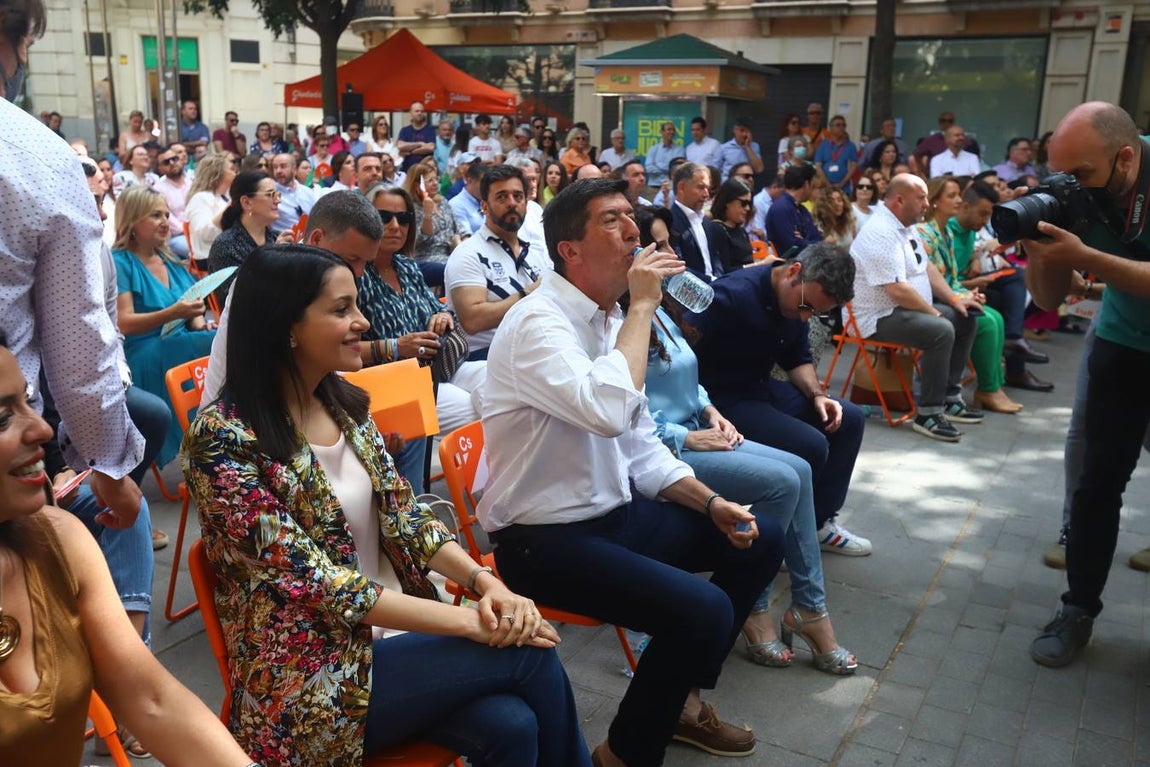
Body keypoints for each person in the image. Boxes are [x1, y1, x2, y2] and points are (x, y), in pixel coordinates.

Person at [183, 243, 591, 767]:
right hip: (311, 677)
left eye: (356, 304)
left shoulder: (343, 403)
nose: (362, 321)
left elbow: (405, 516)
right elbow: (318, 582)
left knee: (513, 726)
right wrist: (472, 623)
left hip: (394, 639)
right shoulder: (222, 438)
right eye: (340, 309)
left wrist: (485, 583)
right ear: (285, 326)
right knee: (530, 658)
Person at [478, 178, 784, 765]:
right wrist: (643, 306)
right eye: (612, 220)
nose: (633, 231)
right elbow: (607, 410)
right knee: (702, 609)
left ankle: (679, 703)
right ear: (570, 249)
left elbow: (639, 443)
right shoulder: (538, 324)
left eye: (631, 217)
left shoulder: (606, 318)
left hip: (613, 517)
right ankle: (627, 751)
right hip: (543, 540)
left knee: (757, 538)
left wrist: (709, 502)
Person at [0, 332, 251, 765]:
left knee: (130, 513)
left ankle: (119, 682)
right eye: (2, 416)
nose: (41, 427)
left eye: (27, 400)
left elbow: (153, 698)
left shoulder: (56, 538)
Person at [631, 209, 855, 673]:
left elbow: (691, 378)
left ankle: (810, 606)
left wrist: (710, 412)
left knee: (803, 465)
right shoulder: (634, 315)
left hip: (710, 417)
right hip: (666, 447)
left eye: (670, 245)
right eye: (658, 247)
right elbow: (623, 413)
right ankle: (755, 607)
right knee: (787, 476)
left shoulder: (664, 311)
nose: (674, 257)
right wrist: (690, 432)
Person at [0, 1, 144, 534]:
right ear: (11, 39)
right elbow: (79, 340)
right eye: (26, 49)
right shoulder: (35, 155)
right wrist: (108, 465)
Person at [1023, 102, 1150, 667]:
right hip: (1123, 345)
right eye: (1060, 175)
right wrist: (1040, 246)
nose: (1070, 187)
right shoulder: (1075, 189)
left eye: (1081, 177)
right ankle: (1077, 609)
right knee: (1096, 487)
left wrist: (1088, 256)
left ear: (1126, 157)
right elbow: (1050, 300)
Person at [688, 242, 870, 555]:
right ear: (793, 271)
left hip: (761, 388)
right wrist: (703, 413)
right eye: (805, 307)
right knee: (810, 444)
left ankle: (818, 524)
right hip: (720, 400)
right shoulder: (732, 297)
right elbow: (684, 359)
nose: (804, 318)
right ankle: (777, 540)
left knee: (848, 419)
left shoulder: (797, 301)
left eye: (815, 313)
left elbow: (796, 357)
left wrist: (817, 396)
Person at [849, 174, 982, 442]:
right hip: (875, 317)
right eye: (921, 198)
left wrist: (955, 300)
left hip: (900, 310)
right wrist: (933, 313)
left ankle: (949, 396)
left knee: (966, 316)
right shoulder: (880, 232)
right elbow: (897, 290)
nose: (926, 204)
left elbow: (927, 268)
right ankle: (928, 414)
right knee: (941, 329)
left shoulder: (906, 226)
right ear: (899, 199)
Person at [110, 187, 215, 467]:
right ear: (132, 221)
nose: (165, 222)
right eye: (155, 215)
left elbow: (192, 310)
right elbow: (124, 322)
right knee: (228, 345)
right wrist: (174, 312)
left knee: (220, 339)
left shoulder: (171, 260)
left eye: (167, 215)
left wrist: (198, 320)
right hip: (145, 351)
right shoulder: (121, 262)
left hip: (179, 341)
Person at [917, 176, 1023, 414]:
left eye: (958, 195)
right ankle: (981, 389)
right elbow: (927, 280)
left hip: (946, 296)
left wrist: (968, 292)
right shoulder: (925, 232)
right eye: (952, 196)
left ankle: (992, 387)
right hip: (929, 300)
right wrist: (964, 293)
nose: (959, 200)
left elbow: (951, 280)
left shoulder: (947, 233)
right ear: (934, 201)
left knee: (994, 316)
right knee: (982, 321)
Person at [946, 180, 1053, 394]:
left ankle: (1014, 342)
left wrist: (976, 259)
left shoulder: (969, 230)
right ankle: (1010, 369)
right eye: (983, 214)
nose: (985, 221)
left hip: (967, 285)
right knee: (1001, 306)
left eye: (988, 216)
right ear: (965, 206)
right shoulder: (947, 230)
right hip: (952, 291)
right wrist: (972, 283)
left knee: (1015, 277)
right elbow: (943, 281)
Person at [446, 164, 550, 362]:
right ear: (484, 206)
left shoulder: (535, 252)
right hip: (484, 358)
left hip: (536, 349)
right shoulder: (468, 254)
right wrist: (527, 294)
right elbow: (473, 320)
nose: (512, 203)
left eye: (518, 196)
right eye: (501, 196)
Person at [208, 170, 284, 306]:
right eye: (270, 194)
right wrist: (276, 257)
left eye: (277, 194)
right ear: (246, 202)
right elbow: (236, 298)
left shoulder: (276, 237)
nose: (278, 200)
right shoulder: (226, 244)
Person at [405, 160, 463, 284]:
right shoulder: (411, 208)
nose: (435, 183)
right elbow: (422, 240)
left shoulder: (442, 202)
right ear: (417, 186)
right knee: (456, 270)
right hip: (427, 258)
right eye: (430, 180)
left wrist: (460, 244)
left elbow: (458, 228)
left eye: (436, 179)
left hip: (452, 254)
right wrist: (427, 214)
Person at [669, 162, 724, 281]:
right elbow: (677, 266)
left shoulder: (705, 221)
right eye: (701, 187)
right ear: (682, 187)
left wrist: (720, 281)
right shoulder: (670, 221)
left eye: (708, 188)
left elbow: (715, 256)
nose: (706, 194)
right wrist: (711, 281)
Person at [766, 163, 821, 257]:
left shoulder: (802, 210)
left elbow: (818, 238)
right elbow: (792, 247)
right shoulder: (781, 209)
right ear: (806, 184)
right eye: (812, 186)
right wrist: (807, 242)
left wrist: (803, 241)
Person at [708, 178, 755, 271]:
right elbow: (724, 270)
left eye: (749, 204)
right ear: (728, 201)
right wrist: (760, 265)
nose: (747, 208)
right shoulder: (717, 229)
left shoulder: (741, 231)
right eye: (743, 203)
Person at [813, 115, 858, 193]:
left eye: (844, 125)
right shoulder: (823, 145)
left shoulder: (850, 146)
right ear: (831, 128)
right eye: (838, 125)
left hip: (845, 188)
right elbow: (818, 166)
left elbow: (853, 167)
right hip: (825, 188)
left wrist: (842, 183)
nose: (841, 127)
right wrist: (827, 184)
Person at [644, 121, 685, 190]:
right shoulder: (653, 149)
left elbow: (677, 169)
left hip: (671, 187)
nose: (672, 132)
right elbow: (648, 168)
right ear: (662, 132)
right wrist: (669, 169)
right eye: (669, 129)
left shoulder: (680, 149)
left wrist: (658, 165)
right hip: (654, 186)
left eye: (673, 130)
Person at [397, 101, 437, 172]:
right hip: (407, 171)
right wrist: (420, 144)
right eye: (417, 111)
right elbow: (400, 146)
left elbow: (430, 148)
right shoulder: (405, 130)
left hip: (425, 171)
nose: (420, 113)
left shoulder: (430, 130)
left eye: (421, 111)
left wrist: (409, 152)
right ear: (411, 113)